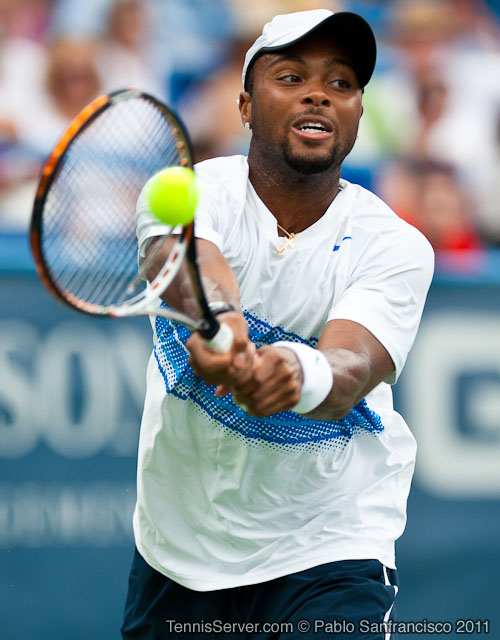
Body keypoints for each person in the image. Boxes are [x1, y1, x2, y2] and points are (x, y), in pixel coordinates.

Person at [122, 9, 434, 639]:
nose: (319, 93)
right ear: (243, 104)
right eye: (290, 76)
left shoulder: (397, 246)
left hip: (330, 544)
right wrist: (222, 323)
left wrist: (296, 372)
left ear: (357, 114)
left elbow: (352, 367)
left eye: (341, 83)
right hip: (178, 551)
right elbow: (183, 261)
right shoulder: (181, 191)